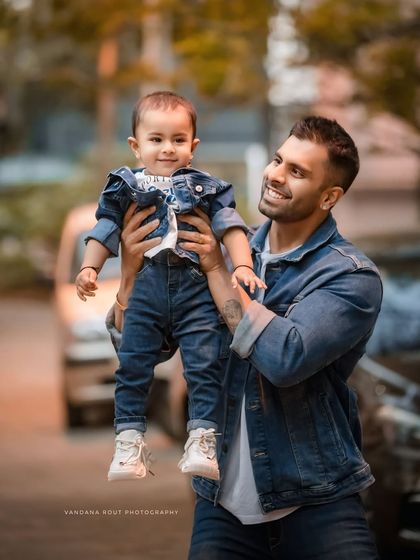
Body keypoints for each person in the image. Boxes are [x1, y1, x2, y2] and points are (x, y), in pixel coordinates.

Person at [109, 115, 383, 559]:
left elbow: (284, 358)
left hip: (319, 501)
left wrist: (218, 271)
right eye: (279, 160)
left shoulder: (349, 277)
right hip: (222, 508)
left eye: (297, 172)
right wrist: (129, 279)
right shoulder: (223, 246)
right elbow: (147, 348)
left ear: (329, 196)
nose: (276, 175)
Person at [75, 91, 265, 483]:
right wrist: (89, 267)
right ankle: (128, 440)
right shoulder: (124, 187)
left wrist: (242, 264)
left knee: (203, 364)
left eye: (178, 140)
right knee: (132, 364)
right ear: (136, 146)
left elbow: (231, 225)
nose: (167, 149)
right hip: (146, 283)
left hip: (196, 288)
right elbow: (106, 227)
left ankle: (202, 437)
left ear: (193, 147)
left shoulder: (208, 187)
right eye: (156, 139)